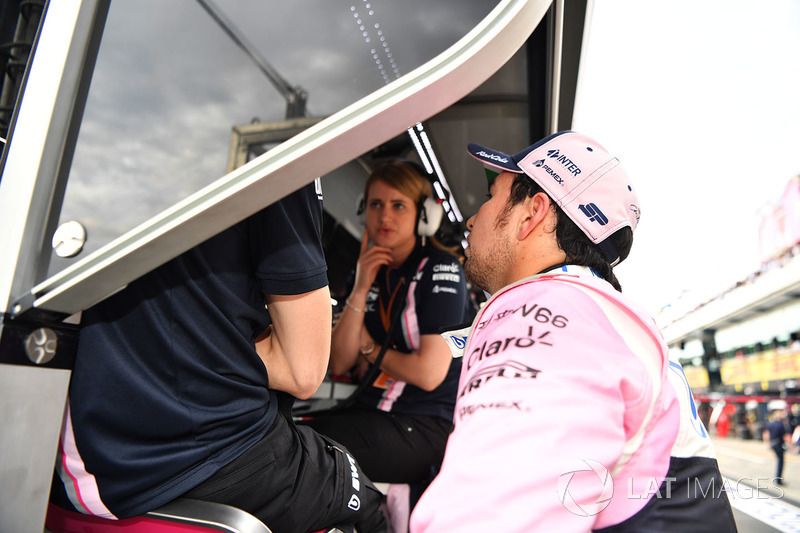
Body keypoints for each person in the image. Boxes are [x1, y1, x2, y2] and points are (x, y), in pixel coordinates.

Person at [410, 131, 737, 532]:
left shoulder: (543, 309)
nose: (471, 219)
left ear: (532, 213)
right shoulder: (596, 313)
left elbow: (492, 514)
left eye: (490, 198)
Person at [50, 181, 386, 533]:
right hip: (187, 453)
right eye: (377, 204)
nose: (383, 217)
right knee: (367, 504)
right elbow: (304, 370)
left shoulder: (88, 147)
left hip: (71, 448)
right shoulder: (288, 155)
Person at [304, 161, 470, 503]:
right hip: (375, 413)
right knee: (295, 434)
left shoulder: (442, 269)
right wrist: (361, 286)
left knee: (312, 449)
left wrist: (368, 346)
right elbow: (339, 360)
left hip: (426, 425)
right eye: (376, 204)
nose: (385, 217)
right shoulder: (366, 270)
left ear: (423, 215)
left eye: (398, 205)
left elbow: (428, 374)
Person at [764, 409, 788, 485]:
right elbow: (785, 436)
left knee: (779, 461)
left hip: (773, 444)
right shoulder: (782, 424)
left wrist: (768, 444)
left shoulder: (770, 423)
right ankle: (778, 480)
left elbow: (766, 434)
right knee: (781, 462)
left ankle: (778, 479)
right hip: (779, 444)